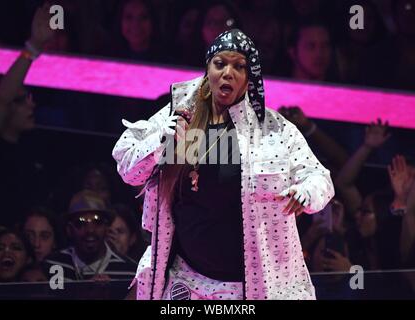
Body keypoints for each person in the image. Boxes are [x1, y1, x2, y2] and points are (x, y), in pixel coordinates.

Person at [113, 29, 334, 300]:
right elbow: (127, 167)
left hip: (254, 288)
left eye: (238, 66)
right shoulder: (181, 116)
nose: (228, 73)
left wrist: (307, 193)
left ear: (249, 77)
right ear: (208, 70)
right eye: (220, 64)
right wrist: (159, 142)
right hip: (187, 281)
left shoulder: (273, 130)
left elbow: (319, 177)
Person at [0, 3, 55, 227]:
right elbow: (2, 98)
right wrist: (33, 47)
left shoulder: (37, 149)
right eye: (20, 100)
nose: (31, 105)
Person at [42, 190, 137, 282]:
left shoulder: (129, 271)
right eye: (80, 223)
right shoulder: (53, 265)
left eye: (97, 222)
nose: (90, 230)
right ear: (69, 229)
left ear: (106, 227)